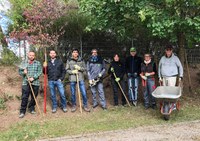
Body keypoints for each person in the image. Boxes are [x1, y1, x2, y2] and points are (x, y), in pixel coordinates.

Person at [19, 51, 42, 118]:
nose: (31, 56)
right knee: (24, 97)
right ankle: (22, 111)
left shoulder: (38, 63)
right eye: (30, 55)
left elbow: (39, 72)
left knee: (34, 97)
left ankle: (31, 108)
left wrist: (33, 78)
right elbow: (20, 72)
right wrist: (24, 72)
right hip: (25, 83)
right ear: (28, 55)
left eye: (33, 55)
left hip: (35, 83)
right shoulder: (23, 63)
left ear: (34, 56)